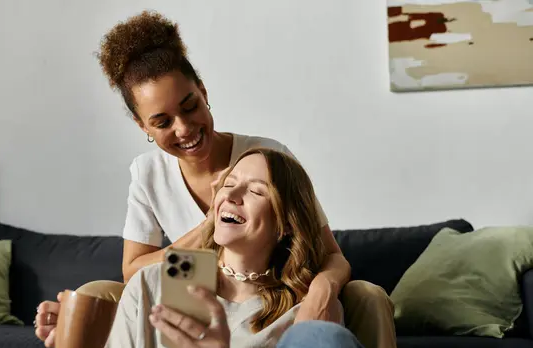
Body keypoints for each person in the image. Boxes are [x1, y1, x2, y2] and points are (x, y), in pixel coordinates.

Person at [35, 9, 350, 328]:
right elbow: (134, 272)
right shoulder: (148, 174)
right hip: (193, 296)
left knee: (369, 296)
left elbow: (330, 257)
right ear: (142, 124)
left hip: (270, 299)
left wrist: (321, 292)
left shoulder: (267, 156)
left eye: (190, 107)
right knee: (92, 298)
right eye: (162, 122)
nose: (184, 128)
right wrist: (212, 225)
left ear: (203, 92)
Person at [51, 147, 376, 348]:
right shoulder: (161, 281)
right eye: (229, 185)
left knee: (322, 338)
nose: (232, 196)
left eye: (257, 191)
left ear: (287, 224)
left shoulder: (305, 311)